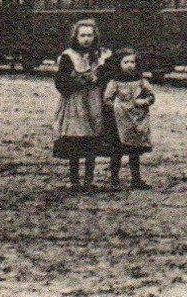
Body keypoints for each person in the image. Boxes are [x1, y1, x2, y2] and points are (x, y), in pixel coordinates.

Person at [53, 19, 114, 190]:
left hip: (94, 100)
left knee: (92, 138)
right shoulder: (68, 56)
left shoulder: (101, 56)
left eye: (89, 35)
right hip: (75, 101)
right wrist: (77, 82)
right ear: (76, 37)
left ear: (95, 37)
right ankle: (74, 180)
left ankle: (89, 179)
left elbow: (108, 76)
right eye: (83, 35)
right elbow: (61, 82)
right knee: (75, 138)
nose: (86, 39)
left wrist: (98, 78)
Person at [105, 49, 155, 188]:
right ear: (119, 64)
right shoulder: (115, 82)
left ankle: (136, 179)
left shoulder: (141, 81)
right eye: (125, 62)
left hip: (135, 121)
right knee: (117, 150)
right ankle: (114, 178)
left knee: (134, 151)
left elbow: (151, 96)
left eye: (132, 62)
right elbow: (107, 99)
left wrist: (145, 101)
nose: (129, 65)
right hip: (119, 121)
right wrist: (117, 107)